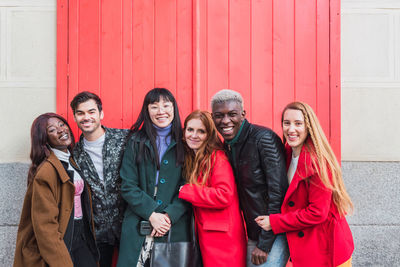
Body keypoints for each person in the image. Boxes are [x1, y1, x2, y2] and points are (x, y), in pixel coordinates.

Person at [255, 101, 354, 267]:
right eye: (287, 123)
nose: (291, 129)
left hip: (326, 248)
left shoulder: (318, 163)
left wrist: (275, 222)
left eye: (298, 123)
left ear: (309, 126)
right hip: (306, 246)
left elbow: (317, 212)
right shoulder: (286, 155)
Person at [211, 89, 289, 267]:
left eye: (232, 114)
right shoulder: (229, 145)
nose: (225, 121)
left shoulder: (264, 139)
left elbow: (279, 192)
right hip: (255, 232)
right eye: (218, 116)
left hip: (273, 232)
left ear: (243, 114)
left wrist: (265, 244)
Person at [117, 88, 191, 267]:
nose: (161, 111)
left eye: (166, 105)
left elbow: (190, 186)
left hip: (174, 224)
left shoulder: (186, 141)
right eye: (154, 106)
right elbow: (127, 185)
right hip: (138, 220)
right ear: (147, 110)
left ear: (174, 108)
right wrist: (151, 214)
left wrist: (168, 216)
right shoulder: (135, 141)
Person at [14, 113, 98, 267]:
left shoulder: (70, 160)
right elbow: (46, 227)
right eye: (52, 130)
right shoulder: (47, 171)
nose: (61, 130)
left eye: (61, 124)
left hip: (79, 238)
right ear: (44, 140)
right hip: (61, 240)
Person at [179, 110, 247, 267]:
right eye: (190, 130)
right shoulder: (195, 158)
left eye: (201, 131)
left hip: (223, 240)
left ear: (209, 135)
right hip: (208, 235)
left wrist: (186, 190)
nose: (194, 135)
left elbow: (224, 195)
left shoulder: (217, 158)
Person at [70, 91, 128, 267]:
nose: (86, 117)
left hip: (128, 225)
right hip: (97, 232)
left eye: (91, 111)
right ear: (75, 117)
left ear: (101, 114)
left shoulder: (124, 139)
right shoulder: (74, 155)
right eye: (80, 113)